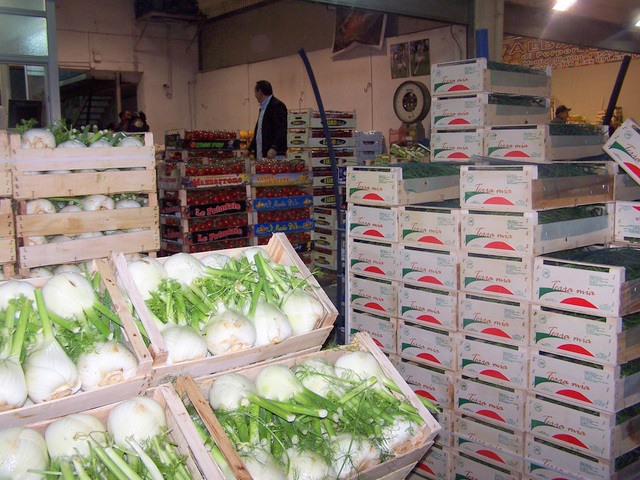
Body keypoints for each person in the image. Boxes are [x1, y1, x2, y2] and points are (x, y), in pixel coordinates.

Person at [249, 80, 288, 159]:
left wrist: (275, 147)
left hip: (275, 155)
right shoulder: (263, 108)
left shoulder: (277, 106)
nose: (255, 95)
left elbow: (282, 129)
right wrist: (249, 148)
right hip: (264, 154)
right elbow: (259, 131)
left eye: (255, 92)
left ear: (260, 92)